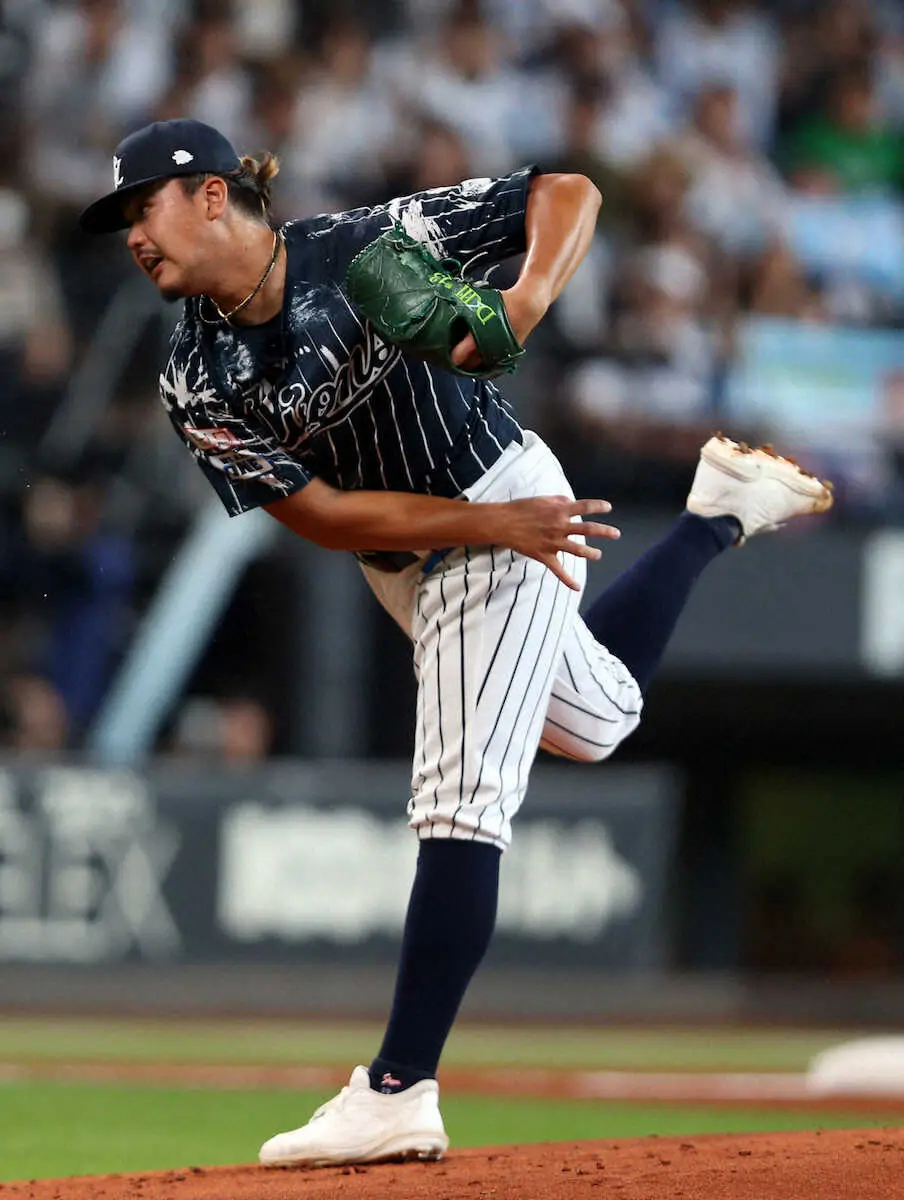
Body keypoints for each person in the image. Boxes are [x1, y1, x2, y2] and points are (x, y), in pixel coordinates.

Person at [79, 118, 832, 1169]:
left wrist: (518, 306)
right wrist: (495, 533)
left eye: (141, 207)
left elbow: (567, 191)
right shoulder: (195, 377)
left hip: (495, 489)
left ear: (211, 195)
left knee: (461, 798)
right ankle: (717, 511)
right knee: (598, 719)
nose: (129, 234)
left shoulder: (366, 245)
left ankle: (397, 1085)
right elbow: (330, 517)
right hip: (436, 546)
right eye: (119, 219)